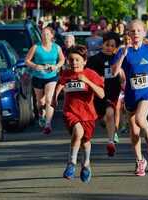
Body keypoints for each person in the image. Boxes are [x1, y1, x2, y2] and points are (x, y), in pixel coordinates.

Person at [112, 19, 148, 176]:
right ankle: (140, 161)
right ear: (128, 34)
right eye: (132, 31)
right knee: (134, 132)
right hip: (131, 94)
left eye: (139, 30)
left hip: (147, 92)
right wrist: (122, 55)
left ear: (144, 32)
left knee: (140, 118)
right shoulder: (123, 51)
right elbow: (113, 72)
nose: (135, 33)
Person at [52, 45, 104, 183]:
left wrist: (87, 81)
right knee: (78, 131)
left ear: (84, 61)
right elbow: (60, 84)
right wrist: (54, 98)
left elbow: (101, 94)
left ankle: (86, 164)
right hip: (70, 112)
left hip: (88, 115)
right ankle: (71, 163)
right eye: (71, 60)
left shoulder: (91, 74)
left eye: (77, 60)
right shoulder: (66, 74)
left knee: (86, 141)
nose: (74, 62)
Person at [87, 32, 123, 157]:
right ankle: (104, 122)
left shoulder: (118, 59)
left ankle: (111, 142)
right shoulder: (94, 59)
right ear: (102, 44)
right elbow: (87, 75)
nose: (109, 48)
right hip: (97, 94)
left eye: (112, 46)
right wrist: (96, 79)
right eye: (107, 44)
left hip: (112, 92)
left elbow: (123, 73)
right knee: (102, 117)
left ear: (116, 48)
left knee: (110, 113)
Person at [25, 26, 65, 134]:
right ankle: (40, 113)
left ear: (52, 35)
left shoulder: (56, 48)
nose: (45, 36)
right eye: (43, 34)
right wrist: (35, 66)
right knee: (40, 102)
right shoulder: (36, 47)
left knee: (48, 99)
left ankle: (48, 124)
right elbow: (27, 60)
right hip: (38, 76)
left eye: (47, 34)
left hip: (51, 76)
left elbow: (62, 60)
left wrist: (56, 66)